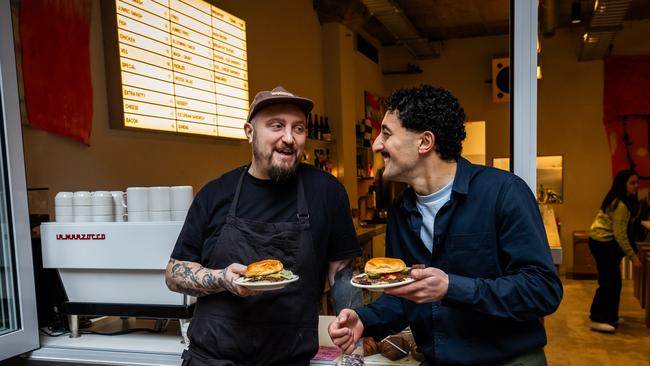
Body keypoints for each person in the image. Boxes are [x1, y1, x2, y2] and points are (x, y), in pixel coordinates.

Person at [329, 85, 563, 365]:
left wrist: (452, 287)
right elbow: (403, 297)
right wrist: (363, 320)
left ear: (425, 142)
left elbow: (543, 290)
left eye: (387, 133)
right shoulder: (401, 212)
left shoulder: (503, 193)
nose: (377, 144)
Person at [165, 86, 362, 365]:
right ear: (250, 132)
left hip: (289, 359)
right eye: (276, 126)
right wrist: (222, 278)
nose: (288, 138)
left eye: (299, 128)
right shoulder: (216, 194)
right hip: (212, 358)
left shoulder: (326, 192)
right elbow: (174, 274)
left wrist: (355, 352)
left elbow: (341, 274)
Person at [587, 169, 641, 333]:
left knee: (614, 282)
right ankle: (597, 319)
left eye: (636, 182)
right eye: (632, 183)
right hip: (601, 242)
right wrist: (633, 257)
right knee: (608, 282)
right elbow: (620, 235)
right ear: (622, 184)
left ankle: (610, 316)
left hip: (605, 242)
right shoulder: (621, 204)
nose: (636, 186)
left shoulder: (623, 200)